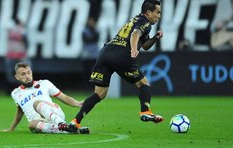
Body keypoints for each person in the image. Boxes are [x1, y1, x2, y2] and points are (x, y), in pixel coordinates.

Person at [68, 0, 164, 132]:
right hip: (121, 54)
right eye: (157, 12)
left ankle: (75, 122)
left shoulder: (136, 19)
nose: (159, 15)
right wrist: (134, 49)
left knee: (99, 94)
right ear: (148, 12)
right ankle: (145, 111)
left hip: (105, 52)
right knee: (143, 84)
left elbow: (145, 46)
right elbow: (135, 33)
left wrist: (155, 38)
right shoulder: (145, 23)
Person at [0, 62, 89, 134]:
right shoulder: (15, 93)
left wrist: (78, 103)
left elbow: (64, 98)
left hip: (55, 113)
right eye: (23, 74)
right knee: (31, 125)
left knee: (36, 103)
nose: (27, 76)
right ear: (17, 77)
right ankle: (70, 130)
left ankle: (61, 123)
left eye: (28, 73)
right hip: (41, 121)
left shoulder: (44, 83)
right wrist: (11, 128)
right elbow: (20, 111)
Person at [4, 18, 31, 92]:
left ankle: (11, 89)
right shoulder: (22, 30)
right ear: (19, 23)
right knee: (26, 72)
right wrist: (25, 50)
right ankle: (26, 89)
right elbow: (26, 41)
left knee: (11, 73)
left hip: (10, 54)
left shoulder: (10, 29)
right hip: (21, 54)